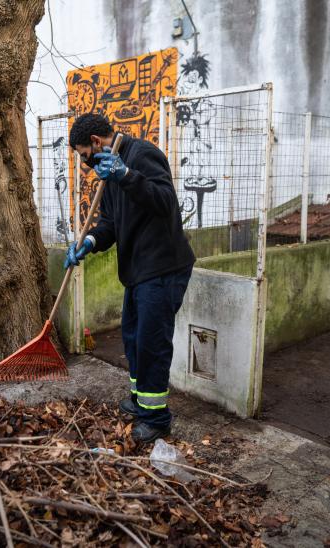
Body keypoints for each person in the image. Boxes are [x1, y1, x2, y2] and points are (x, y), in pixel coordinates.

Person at [66, 113, 195, 443]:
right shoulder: (108, 176)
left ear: (96, 143)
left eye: (84, 155)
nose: (86, 164)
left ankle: (156, 417)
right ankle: (141, 401)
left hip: (163, 268)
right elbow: (109, 222)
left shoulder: (141, 155)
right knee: (134, 337)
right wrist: (90, 242)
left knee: (152, 342)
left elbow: (165, 202)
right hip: (138, 271)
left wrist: (126, 175)